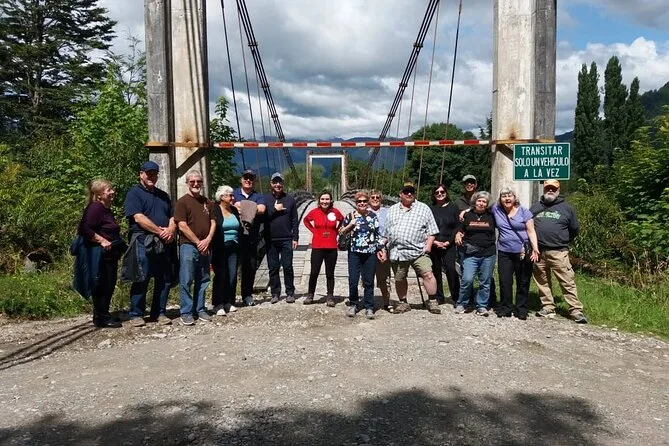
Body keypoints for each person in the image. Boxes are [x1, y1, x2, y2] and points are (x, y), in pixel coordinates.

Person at [123, 161, 176, 327]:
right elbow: (138, 217)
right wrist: (160, 231)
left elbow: (173, 216)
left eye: (154, 174)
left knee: (164, 278)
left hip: (164, 241)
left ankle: (159, 313)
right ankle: (136, 314)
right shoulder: (134, 193)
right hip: (143, 239)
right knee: (142, 276)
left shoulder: (163, 195)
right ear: (141, 174)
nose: (152, 177)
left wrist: (170, 230)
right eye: (148, 173)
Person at [378, 182, 441, 314]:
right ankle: (403, 303)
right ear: (400, 194)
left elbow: (432, 230)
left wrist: (428, 246)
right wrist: (382, 248)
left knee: (428, 274)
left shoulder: (423, 208)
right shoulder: (392, 209)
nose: (409, 194)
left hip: (418, 251)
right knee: (400, 278)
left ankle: (432, 301)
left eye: (411, 191)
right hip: (397, 252)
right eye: (406, 191)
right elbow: (386, 233)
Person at [530, 180, 587, 323]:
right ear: (544, 189)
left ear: (558, 190)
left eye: (553, 189)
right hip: (538, 251)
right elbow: (528, 226)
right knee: (542, 281)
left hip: (559, 251)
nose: (550, 191)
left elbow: (574, 229)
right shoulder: (535, 207)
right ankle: (548, 306)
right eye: (548, 188)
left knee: (567, 281)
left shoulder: (567, 208)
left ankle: (575, 310)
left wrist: (563, 240)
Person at [76, 179, 125, 328]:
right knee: (102, 284)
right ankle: (101, 317)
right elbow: (84, 229)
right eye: (109, 190)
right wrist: (102, 240)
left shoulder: (104, 208)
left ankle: (102, 314)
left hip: (109, 254)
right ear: (99, 195)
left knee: (108, 283)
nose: (112, 192)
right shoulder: (95, 207)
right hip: (100, 254)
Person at [174, 170, 215, 325]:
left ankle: (200, 309)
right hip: (188, 246)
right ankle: (186, 312)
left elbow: (213, 223)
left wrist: (208, 240)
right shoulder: (182, 202)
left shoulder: (208, 202)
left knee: (204, 278)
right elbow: (182, 226)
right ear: (187, 183)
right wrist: (199, 242)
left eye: (199, 181)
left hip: (205, 245)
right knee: (187, 279)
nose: (196, 184)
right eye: (192, 181)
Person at [491, 186, 539, 320]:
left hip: (522, 251)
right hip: (504, 252)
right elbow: (479, 205)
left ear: (514, 198)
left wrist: (535, 249)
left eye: (509, 196)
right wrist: (465, 211)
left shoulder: (524, 212)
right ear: (500, 199)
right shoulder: (496, 210)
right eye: (504, 196)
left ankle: (521, 308)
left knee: (523, 281)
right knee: (505, 281)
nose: (507, 198)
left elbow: (531, 231)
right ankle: (505, 307)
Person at [456, 174, 497, 308]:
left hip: (488, 253)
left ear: (487, 204)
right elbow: (461, 228)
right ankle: (462, 303)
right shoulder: (468, 214)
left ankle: (481, 305)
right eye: (479, 201)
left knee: (485, 281)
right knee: (467, 279)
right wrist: (458, 234)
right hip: (470, 253)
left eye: (484, 202)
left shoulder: (492, 215)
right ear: (475, 202)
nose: (481, 203)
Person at [340, 190, 382, 319]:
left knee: (368, 281)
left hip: (370, 253)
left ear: (368, 202)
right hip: (354, 252)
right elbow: (341, 232)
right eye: (359, 201)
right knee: (353, 280)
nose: (362, 203)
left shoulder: (373, 216)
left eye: (364, 201)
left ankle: (369, 306)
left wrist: (381, 249)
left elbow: (377, 234)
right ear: (356, 203)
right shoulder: (350, 216)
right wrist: (350, 225)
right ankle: (353, 303)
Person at [232, 169, 267, 307]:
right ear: (241, 179)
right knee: (232, 267)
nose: (248, 180)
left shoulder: (259, 196)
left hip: (252, 238)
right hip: (234, 236)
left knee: (250, 267)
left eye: (251, 178)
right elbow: (226, 206)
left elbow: (262, 209)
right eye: (246, 177)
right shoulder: (233, 193)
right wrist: (252, 207)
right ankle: (230, 297)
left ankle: (247, 295)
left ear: (254, 181)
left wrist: (240, 206)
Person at [302, 191, 344, 306]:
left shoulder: (335, 212)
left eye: (327, 199)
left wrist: (337, 231)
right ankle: (310, 295)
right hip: (317, 246)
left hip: (331, 246)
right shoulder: (314, 212)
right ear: (319, 200)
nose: (325, 201)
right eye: (322, 199)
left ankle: (330, 296)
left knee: (330, 273)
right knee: (314, 272)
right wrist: (313, 230)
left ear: (331, 200)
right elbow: (306, 220)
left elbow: (342, 220)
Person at [264, 172, 299, 304]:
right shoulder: (265, 199)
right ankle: (275, 293)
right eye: (275, 182)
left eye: (280, 182)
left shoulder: (290, 199)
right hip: (270, 239)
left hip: (286, 238)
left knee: (288, 266)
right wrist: (274, 210)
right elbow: (262, 218)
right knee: (273, 267)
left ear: (283, 183)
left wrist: (295, 237)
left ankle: (290, 292)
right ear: (271, 184)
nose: (277, 184)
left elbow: (294, 220)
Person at [211, 185, 241, 316]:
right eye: (230, 195)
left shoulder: (233, 210)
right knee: (221, 274)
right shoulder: (215, 209)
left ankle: (229, 301)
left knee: (232, 274)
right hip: (220, 246)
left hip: (234, 245)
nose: (233, 197)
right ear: (222, 197)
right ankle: (218, 304)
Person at [429, 184, 460, 306]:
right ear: (433, 195)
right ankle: (439, 296)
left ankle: (456, 296)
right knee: (435, 270)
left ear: (446, 193)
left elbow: (457, 226)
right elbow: (427, 226)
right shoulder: (430, 208)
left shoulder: (453, 207)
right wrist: (435, 241)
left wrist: (449, 242)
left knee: (451, 269)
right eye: (437, 192)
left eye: (442, 192)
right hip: (434, 243)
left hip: (449, 244)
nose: (440, 194)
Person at [368, 189, 392, 311]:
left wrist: (383, 244)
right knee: (368, 277)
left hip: (383, 247)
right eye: (373, 197)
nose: (375, 199)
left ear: (381, 199)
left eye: (377, 197)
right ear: (369, 199)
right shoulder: (364, 212)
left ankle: (387, 302)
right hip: (368, 249)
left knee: (384, 277)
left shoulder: (388, 212)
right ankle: (369, 303)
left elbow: (391, 229)